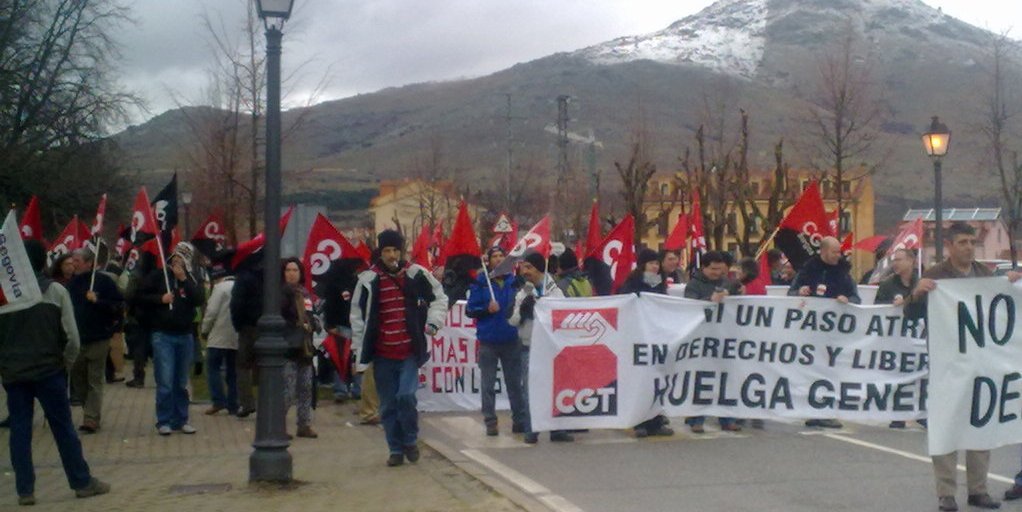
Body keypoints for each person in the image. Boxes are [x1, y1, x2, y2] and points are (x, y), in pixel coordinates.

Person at [904, 223, 1018, 511]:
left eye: (971, 242)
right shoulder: (935, 275)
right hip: (947, 366)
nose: (968, 247)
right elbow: (910, 313)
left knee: (981, 424)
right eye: (962, 242)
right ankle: (946, 493)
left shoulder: (984, 274)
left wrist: (1010, 284)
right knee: (948, 426)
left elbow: (1001, 309)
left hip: (981, 364)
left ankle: (978, 490)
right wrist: (917, 293)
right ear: (950, 247)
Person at [0, 240, 110, 506]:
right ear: (43, 262)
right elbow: (72, 337)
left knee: (20, 430)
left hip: (14, 373)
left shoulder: (3, 295)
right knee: (63, 429)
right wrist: (66, 364)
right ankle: (81, 482)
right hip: (50, 370)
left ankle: (25, 490)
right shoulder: (55, 290)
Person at [351, 230, 447, 466]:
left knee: (406, 396)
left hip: (409, 352)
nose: (391, 255)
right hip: (382, 353)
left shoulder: (416, 274)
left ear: (400, 251)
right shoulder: (368, 280)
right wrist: (358, 350)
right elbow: (357, 315)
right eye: (386, 251)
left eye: (395, 250)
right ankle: (395, 448)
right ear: (380, 252)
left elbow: (439, 297)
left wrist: (433, 323)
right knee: (387, 405)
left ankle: (410, 439)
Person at [787, 236, 859, 429]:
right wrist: (799, 292)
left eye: (839, 252)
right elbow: (790, 294)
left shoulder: (844, 273)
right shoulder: (808, 270)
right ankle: (813, 411)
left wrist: (847, 298)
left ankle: (827, 410)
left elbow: (856, 298)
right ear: (824, 251)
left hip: (834, 333)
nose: (839, 255)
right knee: (811, 372)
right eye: (835, 251)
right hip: (810, 333)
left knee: (831, 372)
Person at [139, 242, 203, 435]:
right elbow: (140, 296)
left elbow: (198, 299)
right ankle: (164, 420)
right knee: (165, 380)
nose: (177, 263)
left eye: (182, 260)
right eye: (175, 259)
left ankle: (181, 419)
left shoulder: (191, 278)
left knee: (181, 381)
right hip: (163, 335)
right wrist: (160, 299)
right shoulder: (159, 277)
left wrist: (183, 278)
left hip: (185, 335)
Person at [510, 252, 572, 444]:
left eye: (529, 267)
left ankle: (557, 429)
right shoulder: (522, 293)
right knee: (531, 390)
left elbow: (563, 316)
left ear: (538, 269)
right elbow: (512, 321)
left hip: (552, 348)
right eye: (523, 267)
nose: (525, 271)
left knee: (557, 388)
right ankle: (532, 429)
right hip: (530, 347)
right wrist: (522, 311)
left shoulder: (554, 291)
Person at [466, 247, 528, 437]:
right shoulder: (481, 282)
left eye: (502, 256)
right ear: (489, 261)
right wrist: (486, 309)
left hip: (512, 340)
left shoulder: (515, 282)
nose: (499, 259)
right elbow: (470, 310)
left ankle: (519, 419)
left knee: (514, 384)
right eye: (495, 256)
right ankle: (490, 421)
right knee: (488, 384)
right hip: (489, 342)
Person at [67, 247, 124, 433]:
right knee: (79, 380)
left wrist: (98, 301)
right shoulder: (71, 284)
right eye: (72, 260)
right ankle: (88, 410)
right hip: (77, 339)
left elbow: (118, 306)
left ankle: (91, 419)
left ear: (89, 263)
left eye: (77, 260)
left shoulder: (104, 282)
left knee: (95, 380)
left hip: (98, 338)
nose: (73, 264)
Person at [683, 250, 742, 433]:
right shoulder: (693, 285)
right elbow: (690, 307)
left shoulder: (727, 283)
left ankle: (727, 418)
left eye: (720, 269)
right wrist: (710, 300)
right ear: (704, 268)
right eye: (713, 269)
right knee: (701, 380)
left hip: (723, 338)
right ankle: (696, 419)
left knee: (725, 379)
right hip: (702, 340)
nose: (717, 273)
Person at [619, 249, 674, 438]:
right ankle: (640, 422)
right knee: (641, 381)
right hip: (639, 337)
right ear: (643, 265)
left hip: (656, 337)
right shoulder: (632, 283)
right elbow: (625, 304)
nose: (655, 266)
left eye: (657, 263)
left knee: (657, 380)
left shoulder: (660, 284)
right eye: (651, 263)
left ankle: (656, 421)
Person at [873, 248, 919, 429]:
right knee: (897, 374)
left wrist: (908, 301)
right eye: (893, 260)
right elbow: (877, 310)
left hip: (917, 340)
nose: (895, 264)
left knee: (919, 374)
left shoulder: (922, 282)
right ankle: (897, 413)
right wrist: (891, 307)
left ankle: (921, 412)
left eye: (899, 260)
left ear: (911, 261)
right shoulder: (887, 285)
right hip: (895, 340)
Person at [281, 257, 319, 439]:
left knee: (306, 387)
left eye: (295, 270)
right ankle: (278, 425)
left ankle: (304, 424)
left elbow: (310, 314)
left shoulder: (304, 293)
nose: (291, 274)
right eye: (288, 270)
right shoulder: (281, 293)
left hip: (305, 346)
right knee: (288, 389)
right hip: (288, 347)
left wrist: (313, 322)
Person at [201, 263, 239, 416]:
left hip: (218, 336)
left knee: (213, 368)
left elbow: (211, 312)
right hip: (236, 336)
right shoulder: (239, 286)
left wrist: (204, 329)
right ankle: (233, 404)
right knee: (232, 371)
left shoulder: (220, 288)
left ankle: (218, 401)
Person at [230, 251, 262, 418]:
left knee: (243, 365)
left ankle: (247, 402)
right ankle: (267, 402)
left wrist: (238, 324)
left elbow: (236, 304)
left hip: (248, 327)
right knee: (265, 365)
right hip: (267, 327)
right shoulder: (268, 275)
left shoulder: (243, 278)